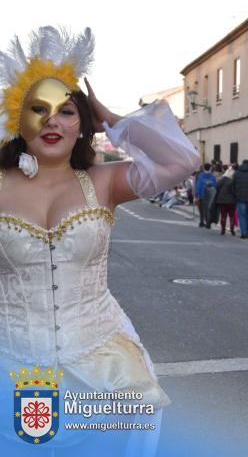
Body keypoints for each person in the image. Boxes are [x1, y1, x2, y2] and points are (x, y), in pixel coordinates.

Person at [0, 27, 200, 452]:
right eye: (39, 108)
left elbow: (182, 160)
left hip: (100, 369)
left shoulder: (104, 181)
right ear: (18, 118)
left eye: (67, 111)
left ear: (82, 123)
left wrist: (112, 118)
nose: (53, 120)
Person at [215, 166, 236, 236]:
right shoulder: (232, 181)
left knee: (223, 215)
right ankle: (232, 229)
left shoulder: (221, 180)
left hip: (222, 200)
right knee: (231, 216)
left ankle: (223, 230)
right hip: (231, 201)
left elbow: (216, 188)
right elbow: (234, 191)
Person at [195, 162, 217, 229]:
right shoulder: (212, 176)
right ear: (210, 168)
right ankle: (208, 223)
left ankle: (202, 221)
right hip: (210, 196)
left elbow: (198, 185)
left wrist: (197, 194)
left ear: (204, 168)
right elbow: (215, 185)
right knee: (208, 209)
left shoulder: (201, 175)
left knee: (201, 209)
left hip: (202, 195)